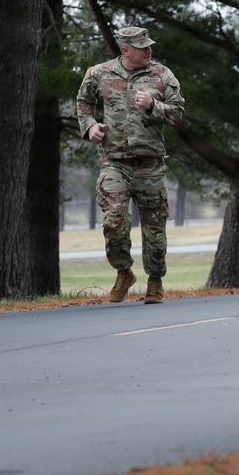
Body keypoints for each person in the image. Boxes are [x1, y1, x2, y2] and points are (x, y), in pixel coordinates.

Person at [76, 26, 186, 304]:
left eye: (149, 45)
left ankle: (155, 280)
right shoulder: (99, 73)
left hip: (150, 164)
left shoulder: (163, 75)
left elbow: (178, 113)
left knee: (155, 230)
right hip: (114, 162)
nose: (149, 50)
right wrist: (89, 126)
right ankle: (124, 272)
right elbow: (84, 103)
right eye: (142, 46)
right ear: (126, 50)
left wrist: (153, 106)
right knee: (114, 221)